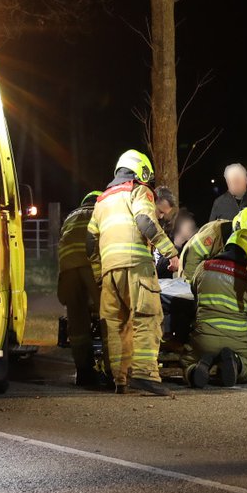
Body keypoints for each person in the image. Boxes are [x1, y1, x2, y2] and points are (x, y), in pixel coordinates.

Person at [88, 150, 181, 397]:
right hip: (137, 267)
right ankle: (145, 374)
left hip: (110, 272)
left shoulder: (102, 201)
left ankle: (121, 380)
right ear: (141, 171)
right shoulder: (138, 191)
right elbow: (145, 222)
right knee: (146, 318)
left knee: (116, 326)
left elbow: (90, 241)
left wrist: (100, 273)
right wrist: (170, 251)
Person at [184, 209, 247, 388]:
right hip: (237, 341)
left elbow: (194, 292)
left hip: (204, 339)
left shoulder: (203, 267)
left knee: (187, 362)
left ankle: (197, 368)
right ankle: (237, 363)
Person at [56, 189, 112, 390]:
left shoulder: (71, 216)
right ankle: (112, 371)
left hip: (68, 268)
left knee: (77, 321)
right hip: (92, 264)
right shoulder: (101, 211)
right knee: (108, 315)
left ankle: (84, 372)